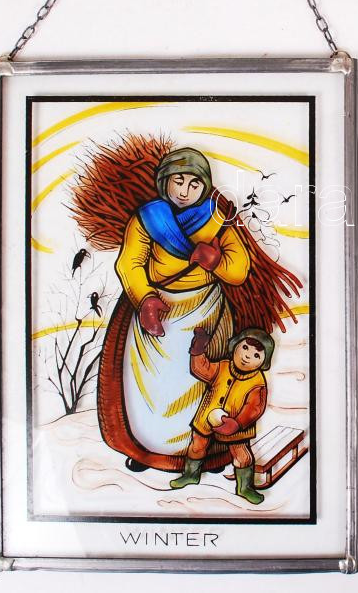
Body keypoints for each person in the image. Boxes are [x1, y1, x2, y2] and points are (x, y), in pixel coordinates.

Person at [98, 147, 251, 472]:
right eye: (178, 181)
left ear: (205, 186)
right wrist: (145, 299)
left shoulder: (217, 218)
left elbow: (239, 269)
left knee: (201, 383)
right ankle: (148, 451)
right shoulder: (147, 218)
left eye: (194, 184)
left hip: (205, 310)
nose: (184, 191)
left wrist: (216, 262)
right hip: (157, 310)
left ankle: (203, 454)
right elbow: (130, 263)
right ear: (164, 181)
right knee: (149, 387)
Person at [170, 327, 273, 504]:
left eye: (256, 355)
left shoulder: (257, 383)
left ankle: (245, 487)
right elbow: (201, 369)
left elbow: (254, 408)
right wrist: (198, 350)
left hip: (236, 425)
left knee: (242, 455)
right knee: (197, 446)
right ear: (235, 346)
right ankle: (191, 475)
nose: (247, 356)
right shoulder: (222, 366)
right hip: (207, 417)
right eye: (245, 348)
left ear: (264, 362)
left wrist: (237, 423)